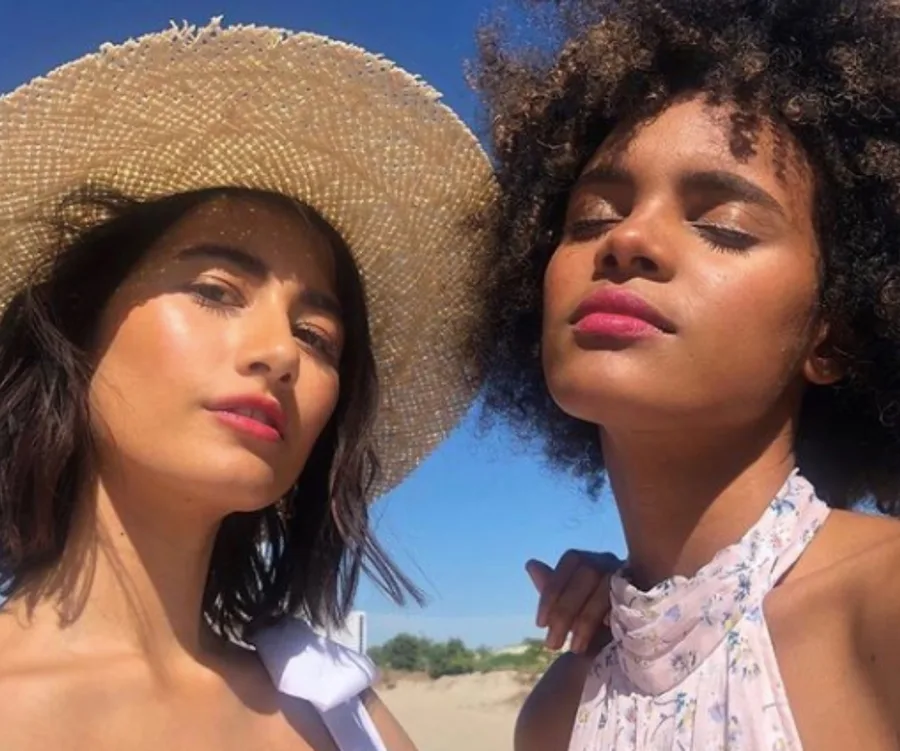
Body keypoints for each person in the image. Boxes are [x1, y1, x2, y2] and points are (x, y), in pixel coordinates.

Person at [0, 20, 495, 751]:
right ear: (77, 327)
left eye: (318, 337)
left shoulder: (338, 711)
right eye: (215, 289)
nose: (279, 353)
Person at [469, 0, 900, 747]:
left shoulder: (885, 609)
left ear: (833, 337)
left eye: (724, 226)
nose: (629, 239)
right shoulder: (554, 716)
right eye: (592, 217)